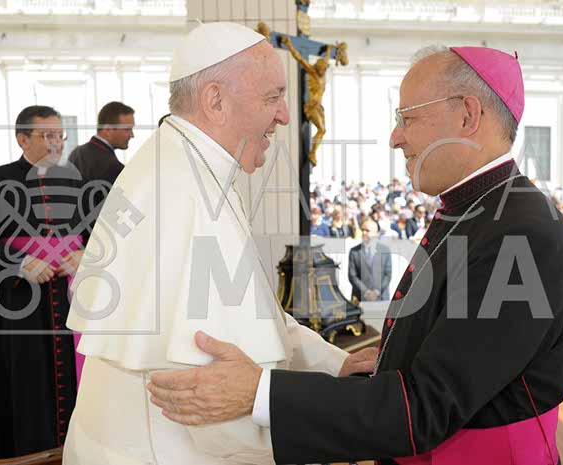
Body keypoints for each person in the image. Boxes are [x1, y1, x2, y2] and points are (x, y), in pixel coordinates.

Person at [148, 45, 563, 465]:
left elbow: (427, 407)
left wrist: (259, 393)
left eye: (407, 118)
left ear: (467, 115)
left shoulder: (523, 234)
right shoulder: (480, 208)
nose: (395, 138)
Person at [63, 22, 372, 465]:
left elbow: (251, 310)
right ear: (215, 101)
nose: (285, 115)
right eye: (272, 97)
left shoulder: (181, 163)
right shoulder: (181, 189)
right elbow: (215, 400)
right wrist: (338, 421)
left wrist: (332, 362)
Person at [0, 105, 89, 459]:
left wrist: (85, 257)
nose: (56, 143)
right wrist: (19, 264)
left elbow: (99, 238)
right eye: (47, 135)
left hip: (69, 310)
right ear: (22, 139)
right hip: (18, 312)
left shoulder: (77, 182)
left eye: (60, 135)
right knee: (25, 397)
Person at [68, 101, 133, 193]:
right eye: (127, 129)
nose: (132, 135)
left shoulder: (76, 152)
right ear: (108, 130)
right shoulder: (114, 167)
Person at [349, 218, 391, 302]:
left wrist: (376, 292)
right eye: (362, 230)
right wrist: (366, 292)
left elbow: (387, 275)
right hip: (360, 299)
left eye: (367, 230)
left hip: (381, 298)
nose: (364, 233)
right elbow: (352, 276)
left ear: (376, 233)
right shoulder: (354, 251)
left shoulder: (385, 250)